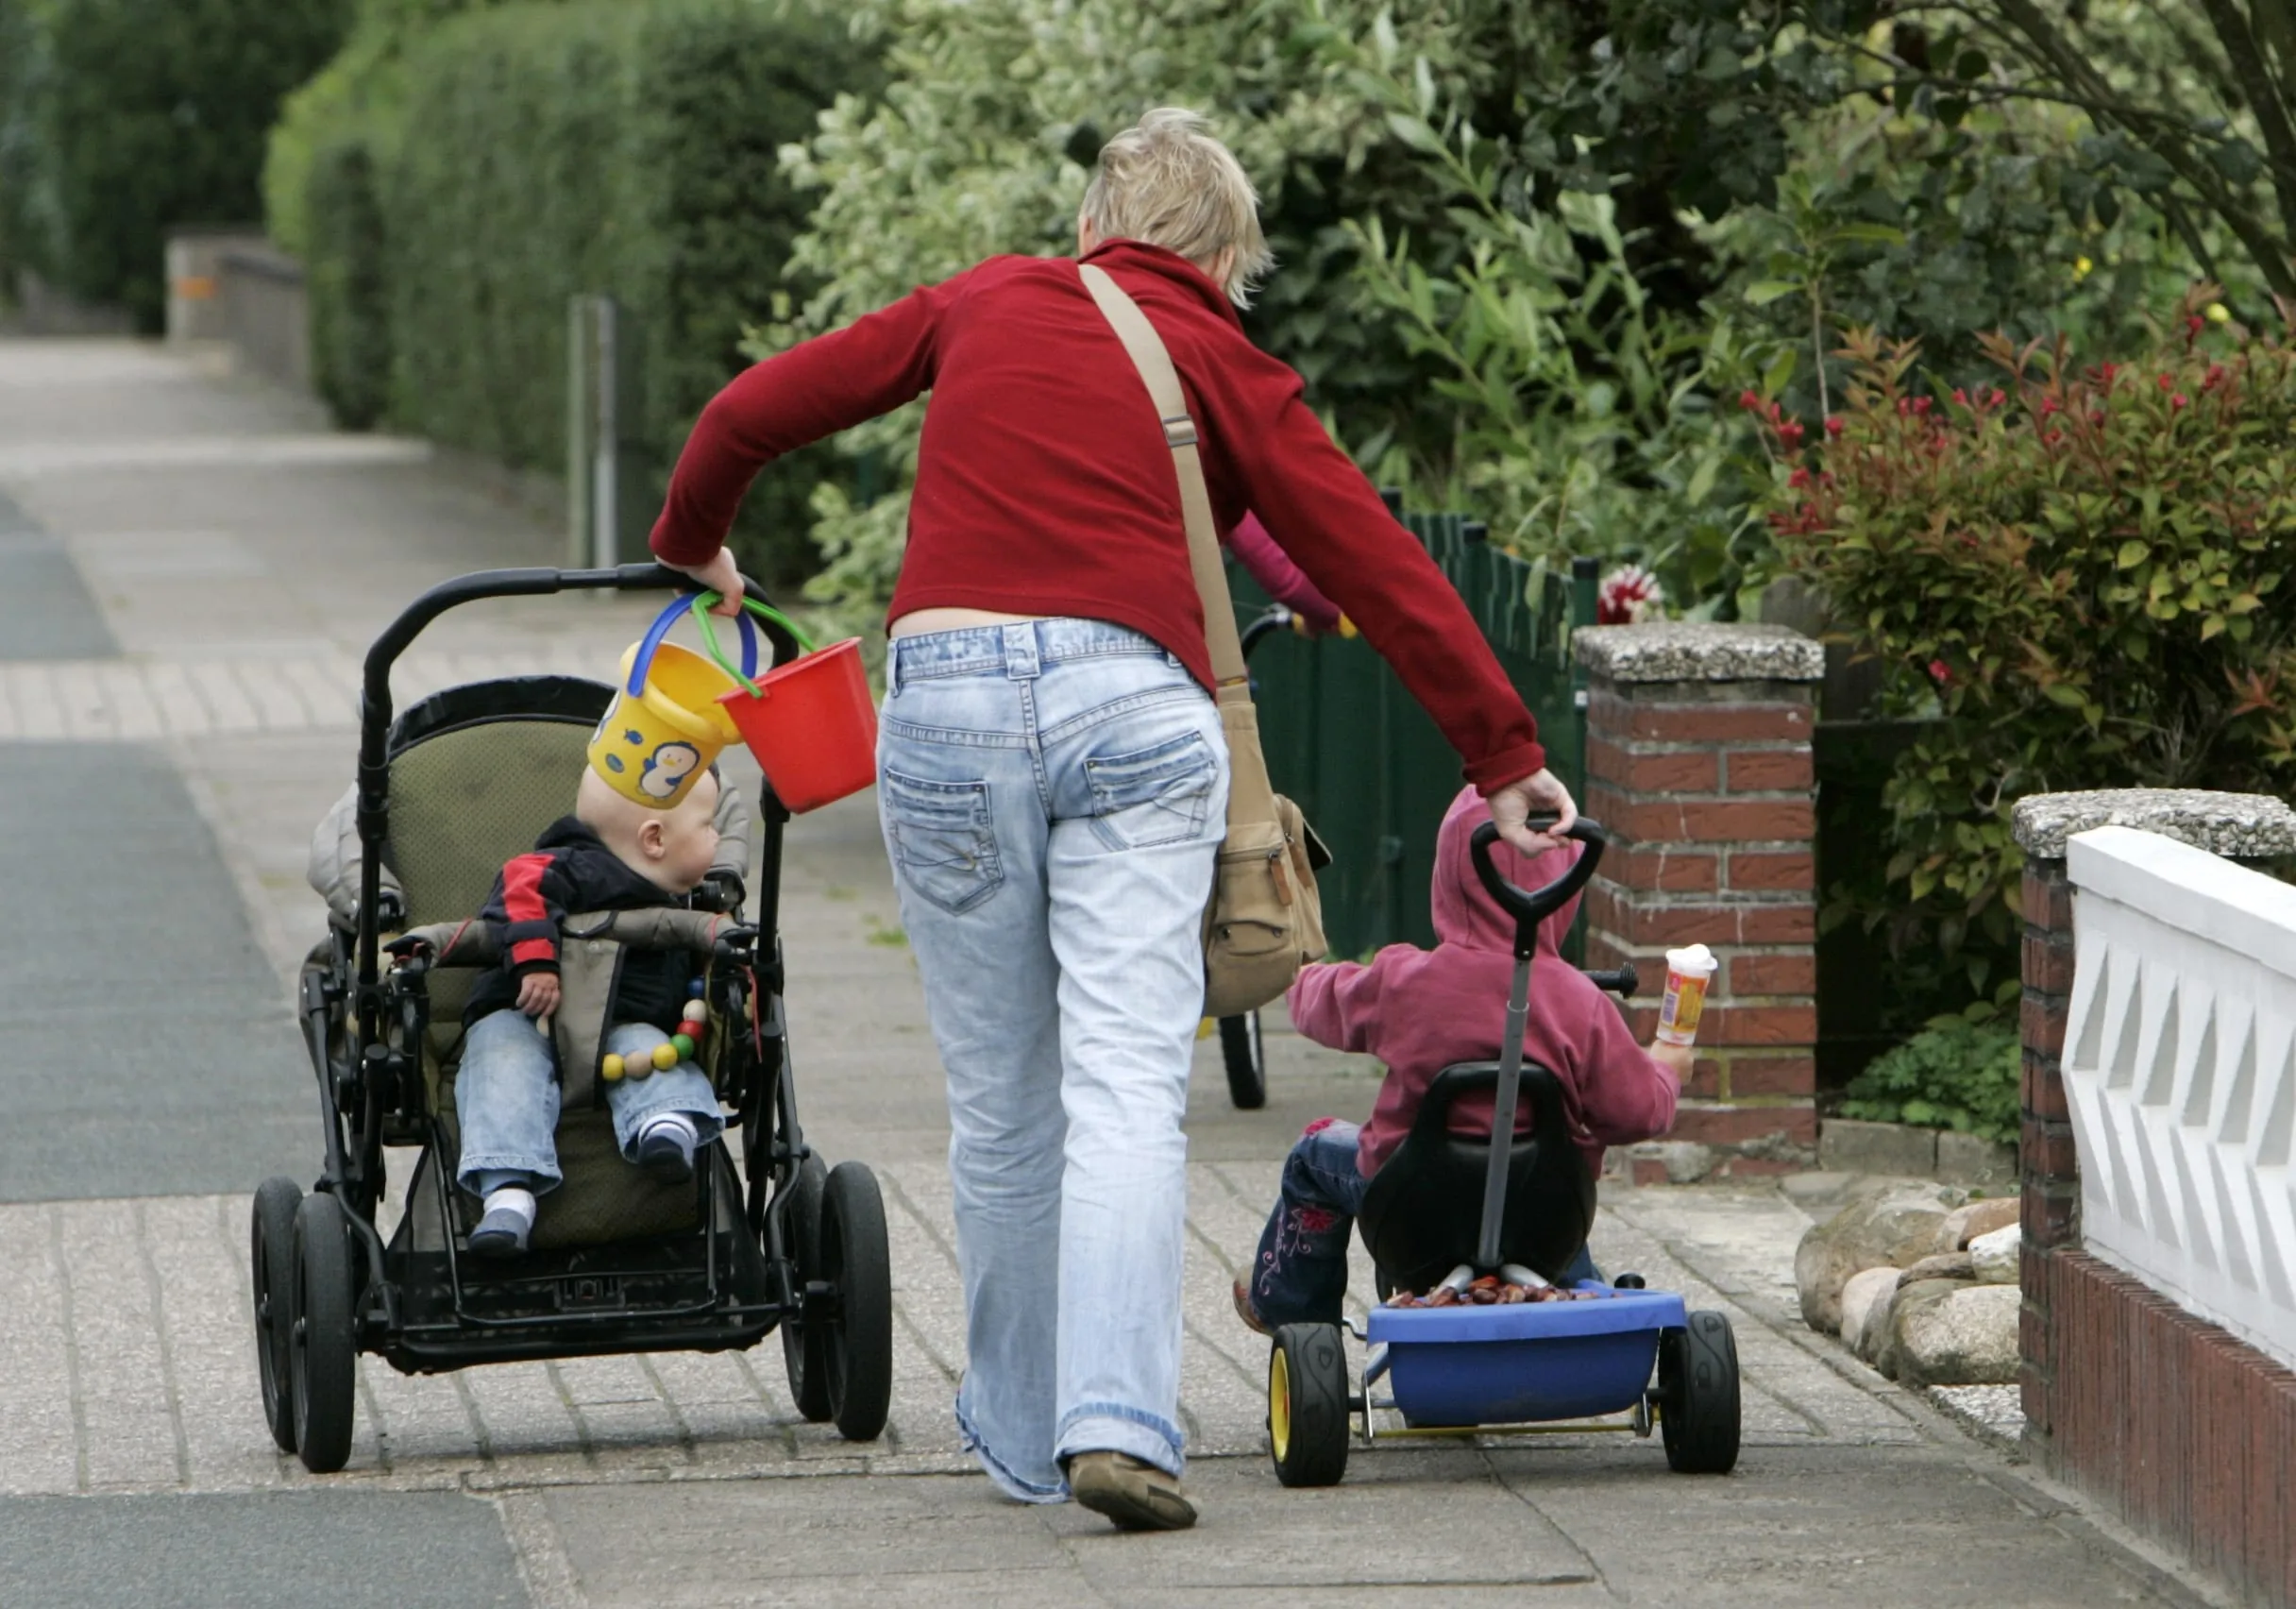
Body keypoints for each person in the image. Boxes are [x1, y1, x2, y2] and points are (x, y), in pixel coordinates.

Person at [647, 107, 1578, 1532]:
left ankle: (1021, 1443)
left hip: (949, 704)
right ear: (1224, 262)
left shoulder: (983, 297)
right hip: (1135, 717)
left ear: (1094, 223)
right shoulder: (1221, 354)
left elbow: (742, 416)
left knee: (1004, 1111)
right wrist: (1503, 752)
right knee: (1129, 1087)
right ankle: (1122, 1420)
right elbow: (1367, 554)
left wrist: (690, 539)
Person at [1234, 787, 1694, 1330]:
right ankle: (1565, 1308)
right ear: (1567, 884)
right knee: (1555, 1178)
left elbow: (1319, 1003)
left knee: (1314, 1156)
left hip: (1414, 1208)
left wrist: (1302, 969)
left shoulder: (1407, 981)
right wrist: (1667, 1066)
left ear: (1453, 874)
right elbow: (1639, 1112)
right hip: (1544, 1219)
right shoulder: (1582, 1003)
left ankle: (1293, 1314)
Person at [446, 764, 731, 1257]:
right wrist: (535, 961)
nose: (719, 835)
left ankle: (665, 1127)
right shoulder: (574, 866)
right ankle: (508, 1195)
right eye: (708, 825)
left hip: (623, 1023)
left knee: (653, 1050)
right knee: (501, 1066)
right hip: (525, 1014)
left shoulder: (685, 898)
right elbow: (520, 885)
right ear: (655, 839)